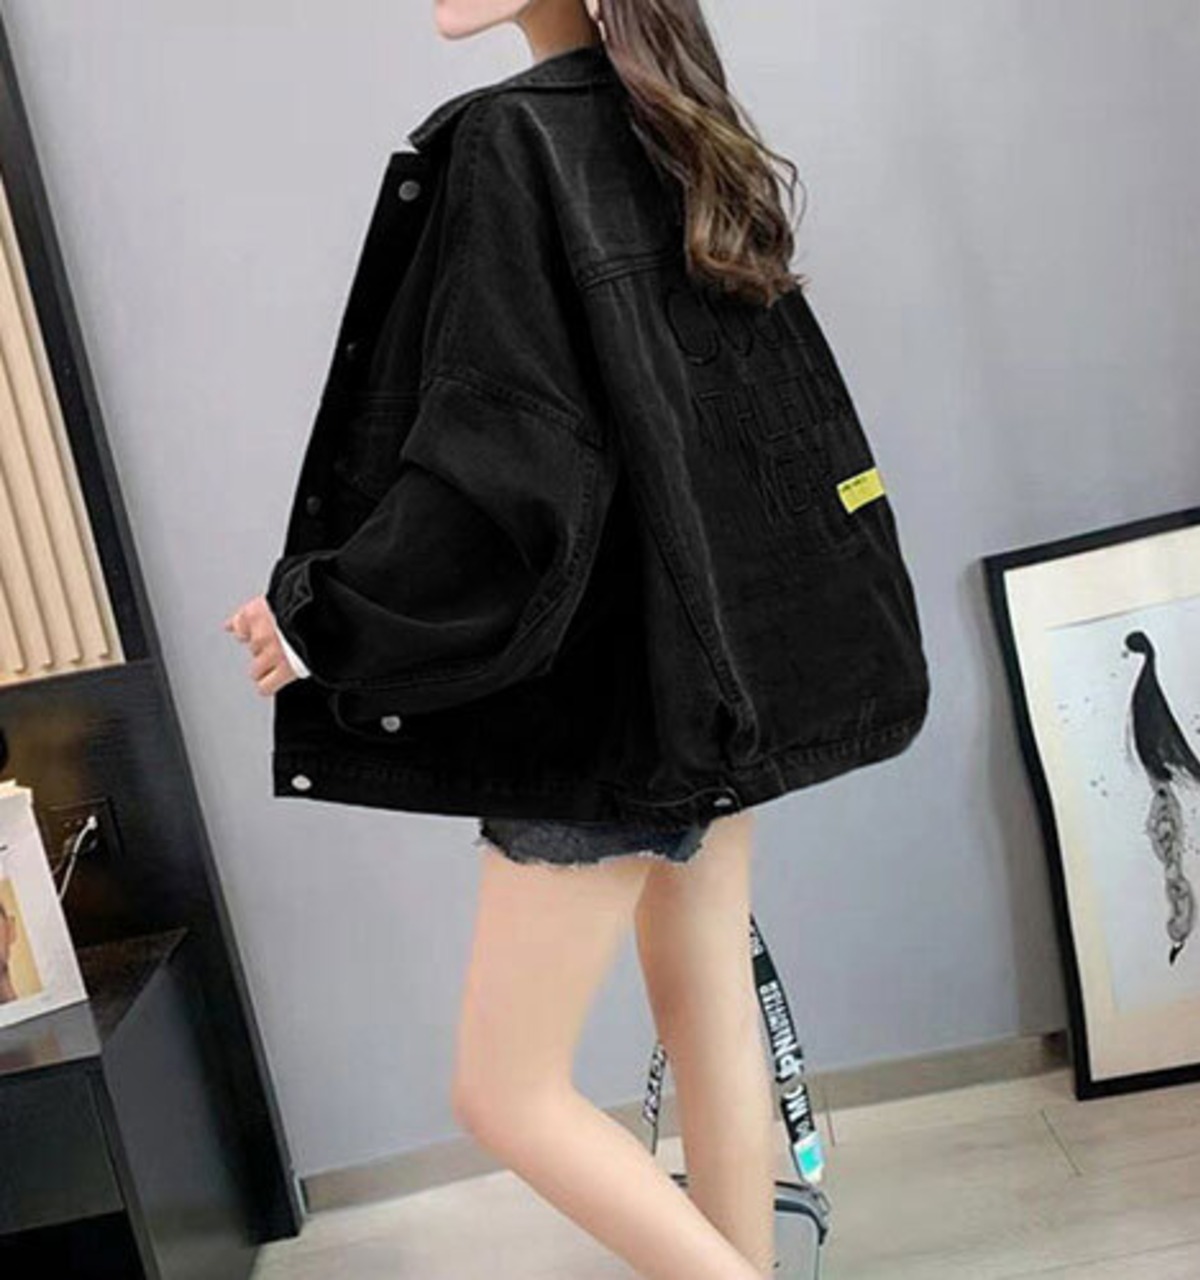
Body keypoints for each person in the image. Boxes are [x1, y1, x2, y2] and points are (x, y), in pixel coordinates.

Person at [225, 2, 930, 1277]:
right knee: (703, 1000)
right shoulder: (677, 120)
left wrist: (324, 615)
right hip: (711, 670)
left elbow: (503, 456)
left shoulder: (512, 141)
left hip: (599, 697)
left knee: (502, 1089)